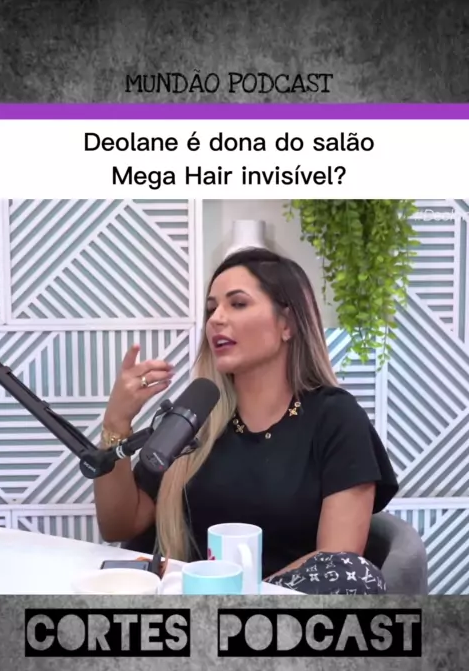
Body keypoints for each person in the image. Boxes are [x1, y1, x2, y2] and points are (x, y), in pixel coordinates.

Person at [94, 248, 399, 594]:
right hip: (191, 608)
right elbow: (119, 525)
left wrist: (238, 598)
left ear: (287, 324)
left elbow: (337, 563)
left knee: (352, 573)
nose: (216, 319)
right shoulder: (196, 415)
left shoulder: (336, 418)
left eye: (238, 304)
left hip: (283, 613)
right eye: (211, 309)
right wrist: (117, 421)